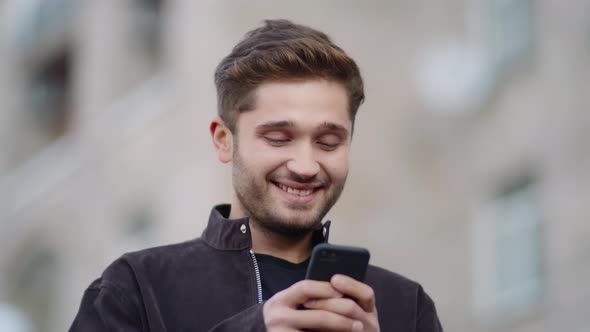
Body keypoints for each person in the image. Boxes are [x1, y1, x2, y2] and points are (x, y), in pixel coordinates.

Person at [69, 19, 443, 332]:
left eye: (328, 142)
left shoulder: (406, 307)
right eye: (279, 138)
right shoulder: (135, 287)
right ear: (223, 141)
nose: (305, 165)